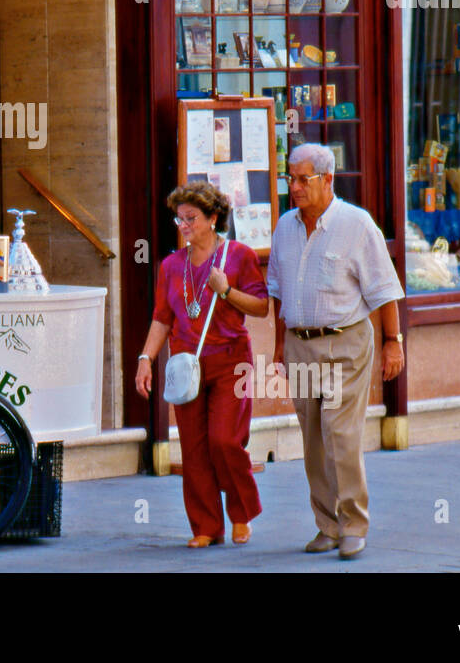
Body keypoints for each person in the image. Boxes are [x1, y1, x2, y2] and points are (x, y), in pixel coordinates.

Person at [267, 143, 405, 561]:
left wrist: (393, 343)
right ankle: (326, 524)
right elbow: (278, 292)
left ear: (328, 179)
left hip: (346, 342)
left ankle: (353, 525)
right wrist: (278, 347)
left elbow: (383, 291)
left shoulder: (357, 225)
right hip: (299, 344)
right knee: (312, 438)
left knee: (340, 433)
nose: (294, 187)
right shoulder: (285, 228)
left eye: (302, 179)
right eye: (289, 178)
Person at [136, 181, 270, 548]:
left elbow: (261, 307)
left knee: (224, 440)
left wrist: (226, 290)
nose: (183, 225)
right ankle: (206, 526)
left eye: (191, 218)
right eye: (179, 219)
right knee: (193, 448)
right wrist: (146, 358)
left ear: (213, 218)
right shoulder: (170, 265)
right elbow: (162, 318)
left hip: (230, 362)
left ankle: (241, 513)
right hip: (185, 364)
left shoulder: (238, 256)